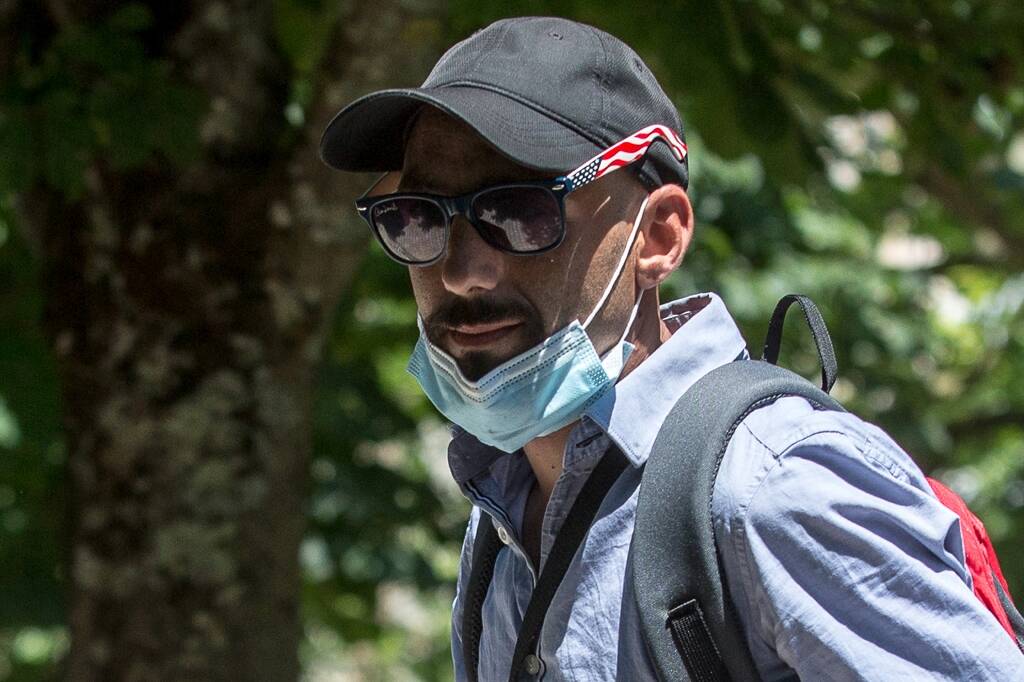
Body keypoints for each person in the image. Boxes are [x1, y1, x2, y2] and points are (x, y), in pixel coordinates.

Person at [319, 16, 1024, 681]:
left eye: (517, 212)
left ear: (657, 237)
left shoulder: (771, 488)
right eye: (415, 220)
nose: (459, 271)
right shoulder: (498, 516)